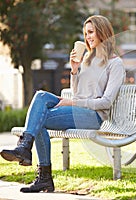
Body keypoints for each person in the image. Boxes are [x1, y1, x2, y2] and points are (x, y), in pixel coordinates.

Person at [0, 15, 125, 193]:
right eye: (86, 33)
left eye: (91, 32)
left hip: (94, 116)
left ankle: (33, 161)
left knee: (39, 119)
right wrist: (74, 70)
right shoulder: (88, 60)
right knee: (41, 96)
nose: (88, 37)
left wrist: (72, 102)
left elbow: (106, 102)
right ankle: (32, 159)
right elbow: (78, 93)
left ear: (102, 31)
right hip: (78, 110)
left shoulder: (115, 64)